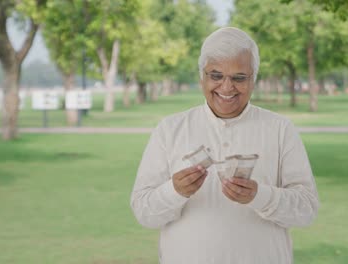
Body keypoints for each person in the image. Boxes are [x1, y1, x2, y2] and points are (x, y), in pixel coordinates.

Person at [130, 27, 319, 264]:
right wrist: (175, 191)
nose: (227, 87)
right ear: (202, 76)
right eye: (216, 75)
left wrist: (260, 195)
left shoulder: (280, 129)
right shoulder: (170, 129)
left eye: (239, 77)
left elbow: (307, 210)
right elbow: (144, 213)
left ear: (254, 79)